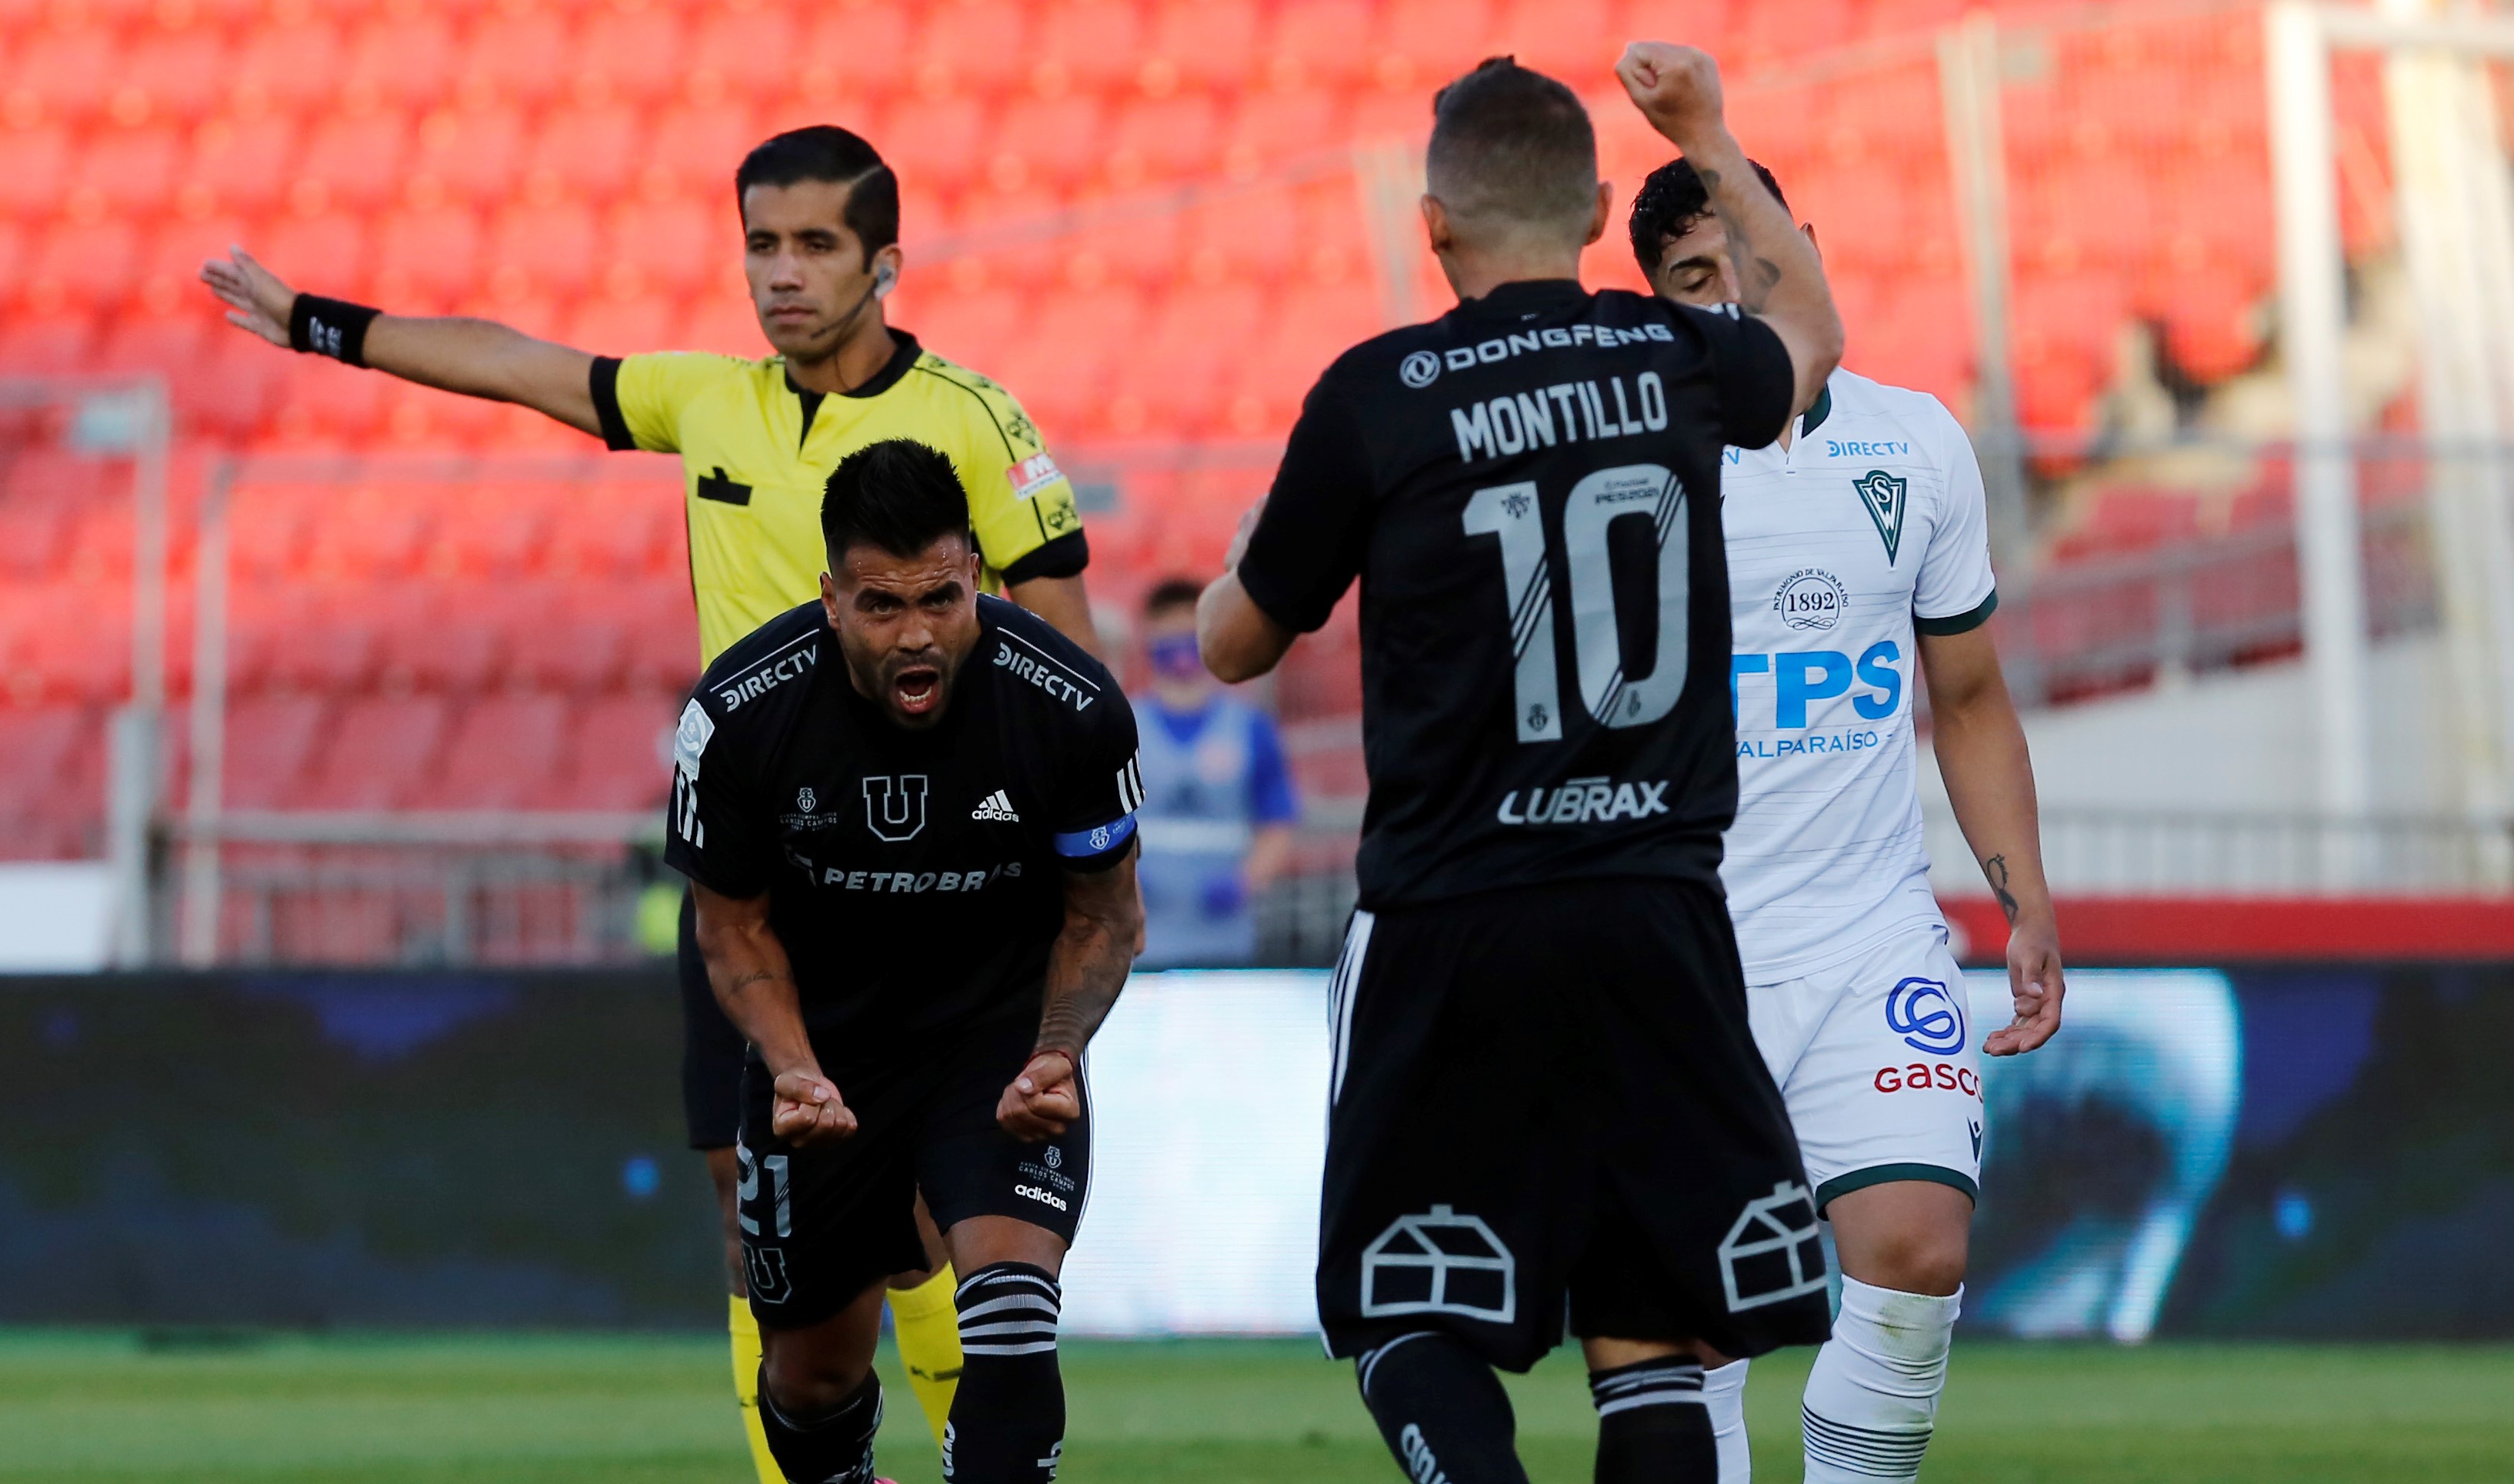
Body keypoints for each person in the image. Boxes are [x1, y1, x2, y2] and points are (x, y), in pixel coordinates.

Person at [198, 125, 1099, 1479]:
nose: (781, 275)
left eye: (815, 244)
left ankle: (985, 1453)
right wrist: (326, 325)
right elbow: (516, 363)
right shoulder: (706, 400)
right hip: (760, 883)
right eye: (761, 244)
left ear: (887, 261)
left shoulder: (973, 418)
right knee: (753, 1205)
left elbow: (1068, 653)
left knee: (925, 1209)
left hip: (935, 883)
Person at [1199, 48, 1844, 1484]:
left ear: (1433, 227)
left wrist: (1246, 559)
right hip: (1654, 909)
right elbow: (1809, 328)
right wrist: (1713, 135)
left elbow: (1238, 643)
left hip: (1454, 914)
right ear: (1600, 201)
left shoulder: (1379, 393)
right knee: (1651, 1324)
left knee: (1400, 1301)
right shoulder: (1674, 357)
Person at [1630, 155, 2066, 1484]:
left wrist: (2026, 898)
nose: (1734, 296)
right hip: (1680, 952)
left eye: (1752, 261)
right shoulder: (1631, 464)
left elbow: (1972, 692)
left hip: (1871, 931)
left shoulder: (1915, 442)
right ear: (1659, 305)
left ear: (1804, 246)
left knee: (1919, 1245)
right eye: (1693, 282)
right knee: (1693, 1323)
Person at [669, 438, 1145, 1484]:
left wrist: (1059, 1051)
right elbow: (731, 929)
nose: (917, 633)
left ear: (977, 572)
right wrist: (791, 1064)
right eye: (882, 605)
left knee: (1014, 1320)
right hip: (827, 1055)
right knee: (809, 1382)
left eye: (941, 597)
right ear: (830, 596)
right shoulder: (738, 719)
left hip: (998, 1043)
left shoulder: (1069, 706)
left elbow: (1105, 917)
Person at [1128, 578, 1299, 967]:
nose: (1180, 652)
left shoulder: (1249, 728)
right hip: (1142, 941)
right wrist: (1125, 888)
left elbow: (1278, 821)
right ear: (1148, 641)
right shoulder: (1121, 728)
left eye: (1189, 636)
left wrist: (1244, 883)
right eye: (1168, 638)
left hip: (1228, 939)